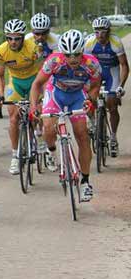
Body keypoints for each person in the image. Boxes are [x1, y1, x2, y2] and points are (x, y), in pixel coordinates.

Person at [30, 30, 102, 201]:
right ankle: (51, 150)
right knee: (48, 127)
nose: (73, 59)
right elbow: (37, 83)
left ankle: (85, 182)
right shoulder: (54, 61)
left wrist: (91, 99)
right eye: (68, 55)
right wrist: (34, 107)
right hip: (56, 94)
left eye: (77, 54)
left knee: (82, 136)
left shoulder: (92, 64)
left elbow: (96, 85)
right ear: (62, 53)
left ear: (82, 51)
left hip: (77, 96)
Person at [0, 19, 46, 174]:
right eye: (9, 38)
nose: (13, 41)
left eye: (17, 38)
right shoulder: (1, 51)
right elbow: (0, 75)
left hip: (33, 82)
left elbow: (44, 71)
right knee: (13, 118)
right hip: (16, 83)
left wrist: (43, 94)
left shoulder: (34, 48)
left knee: (38, 111)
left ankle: (40, 136)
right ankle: (15, 156)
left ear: (23, 37)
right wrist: (1, 95)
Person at [85, 16, 129, 157]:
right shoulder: (90, 43)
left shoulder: (116, 42)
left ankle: (114, 137)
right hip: (97, 71)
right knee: (89, 98)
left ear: (109, 31)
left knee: (112, 103)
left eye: (103, 32)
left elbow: (124, 66)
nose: (100, 35)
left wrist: (121, 86)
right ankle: (93, 122)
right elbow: (84, 65)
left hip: (112, 72)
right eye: (97, 32)